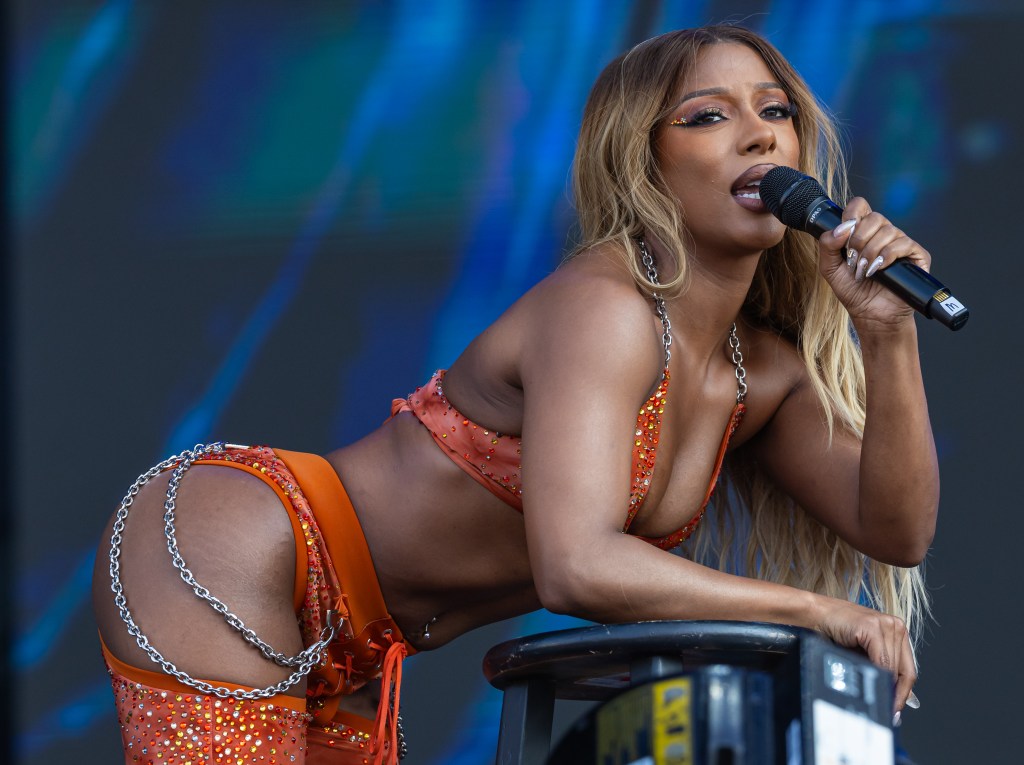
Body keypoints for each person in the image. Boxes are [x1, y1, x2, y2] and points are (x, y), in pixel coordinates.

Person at [92, 24, 938, 765]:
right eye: (709, 116)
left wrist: (887, 331)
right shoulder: (604, 306)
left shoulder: (762, 372)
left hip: (358, 640)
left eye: (776, 111)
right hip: (240, 547)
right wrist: (813, 612)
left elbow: (895, 528)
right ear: (643, 158)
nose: (759, 137)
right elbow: (576, 565)